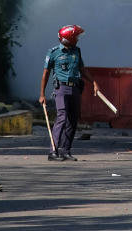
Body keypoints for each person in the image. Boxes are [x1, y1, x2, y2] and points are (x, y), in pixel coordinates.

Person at [39, 25, 99, 161]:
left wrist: (94, 82)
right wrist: (42, 94)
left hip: (75, 88)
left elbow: (82, 69)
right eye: (76, 37)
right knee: (62, 116)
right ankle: (53, 151)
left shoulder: (77, 51)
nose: (78, 39)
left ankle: (65, 150)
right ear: (69, 39)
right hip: (61, 89)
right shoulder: (53, 52)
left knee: (73, 119)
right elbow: (45, 74)